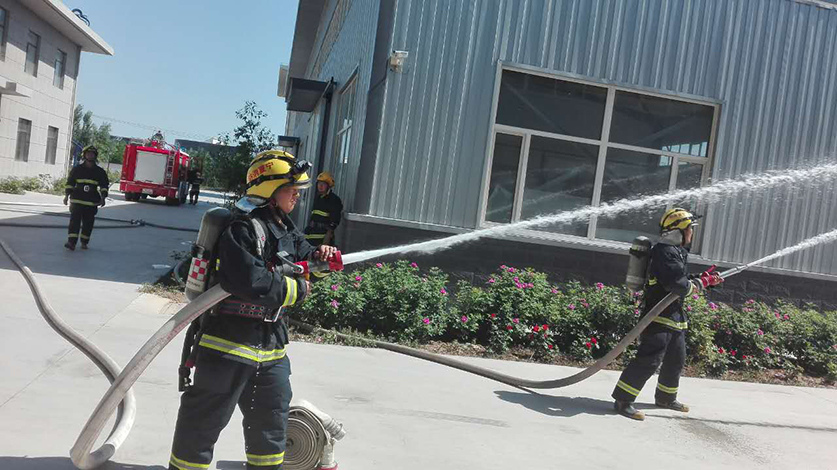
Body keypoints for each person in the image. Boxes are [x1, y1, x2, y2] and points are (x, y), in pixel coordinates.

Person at [169, 150, 337, 470]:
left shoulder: (284, 227)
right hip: (227, 347)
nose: (297, 198)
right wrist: (296, 290)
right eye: (292, 191)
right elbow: (249, 280)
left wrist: (323, 259)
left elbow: (306, 262)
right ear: (269, 191)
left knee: (270, 429)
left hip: (271, 349)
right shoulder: (241, 228)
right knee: (201, 426)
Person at [612, 208, 723, 421]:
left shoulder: (675, 251)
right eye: (690, 228)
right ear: (679, 231)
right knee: (650, 359)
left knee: (676, 359)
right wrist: (702, 283)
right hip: (658, 314)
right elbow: (677, 285)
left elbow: (680, 277)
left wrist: (702, 278)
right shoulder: (664, 252)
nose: (692, 233)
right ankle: (623, 400)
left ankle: (665, 397)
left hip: (674, 316)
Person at [63, 145, 109, 251]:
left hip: (91, 202)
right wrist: (66, 196)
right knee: (74, 222)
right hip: (77, 200)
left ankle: (84, 242)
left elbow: (104, 185)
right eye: (88, 153)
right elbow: (70, 183)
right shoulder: (77, 169)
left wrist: (103, 197)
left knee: (88, 224)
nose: (90, 155)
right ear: (84, 155)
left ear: (95, 156)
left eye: (92, 154)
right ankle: (71, 243)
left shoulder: (100, 172)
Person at [304, 171, 343, 248]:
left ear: (328, 186)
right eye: (319, 183)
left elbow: (334, 222)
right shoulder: (318, 198)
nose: (320, 186)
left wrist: (327, 238)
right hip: (311, 237)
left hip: (322, 239)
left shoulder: (334, 200)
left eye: (323, 184)